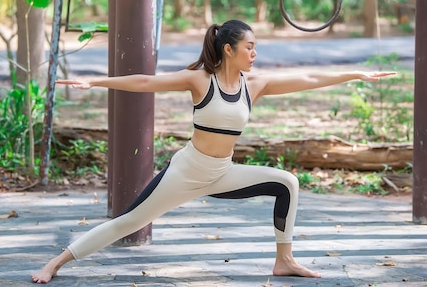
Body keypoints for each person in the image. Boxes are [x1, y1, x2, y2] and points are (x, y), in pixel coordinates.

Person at [31, 19, 395, 283]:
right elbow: (146, 81)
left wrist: (354, 74)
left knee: (287, 183)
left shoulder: (256, 84)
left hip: (222, 173)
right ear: (228, 49)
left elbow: (310, 79)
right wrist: (94, 81)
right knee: (128, 222)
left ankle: (284, 260)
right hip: (186, 172)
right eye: (249, 47)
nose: (254, 53)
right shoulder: (199, 79)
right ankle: (55, 263)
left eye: (255, 48)